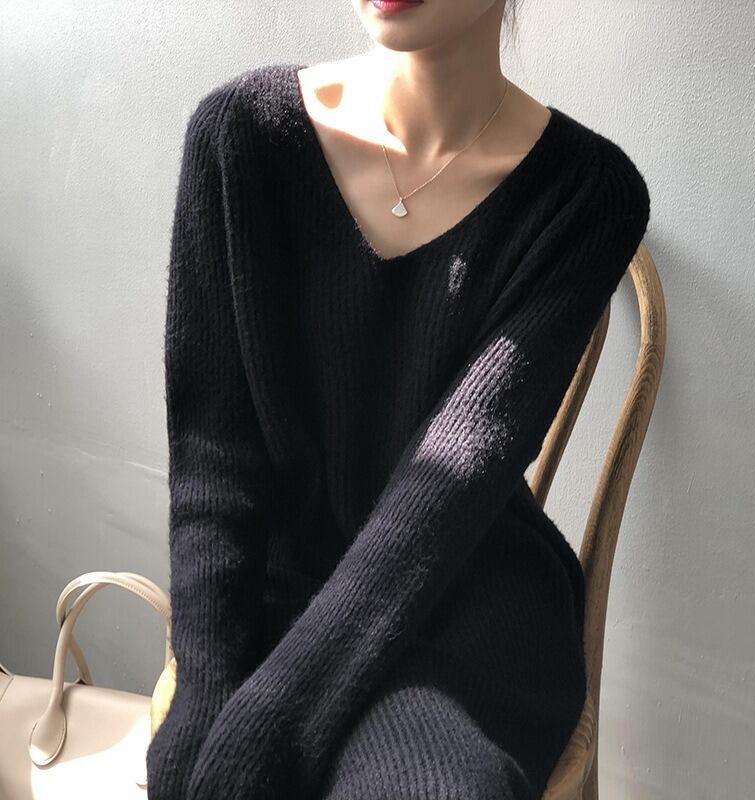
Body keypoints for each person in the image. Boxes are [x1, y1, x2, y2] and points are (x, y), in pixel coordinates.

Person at [145, 1, 651, 798]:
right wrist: (206, 692)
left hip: (459, 608)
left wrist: (272, 722)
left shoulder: (587, 197)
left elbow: (447, 490)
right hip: (271, 598)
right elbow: (215, 466)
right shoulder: (240, 137)